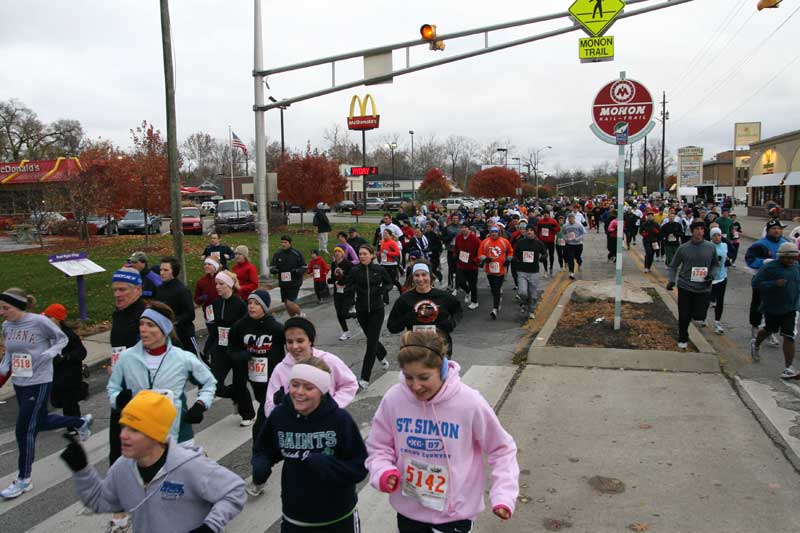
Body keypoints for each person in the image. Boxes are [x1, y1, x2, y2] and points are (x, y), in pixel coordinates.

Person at [366, 331, 520, 532]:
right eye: (408, 377)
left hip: (454, 516)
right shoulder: (394, 399)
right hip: (409, 513)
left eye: (424, 377)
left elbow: (502, 450)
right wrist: (383, 471)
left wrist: (503, 495)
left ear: (443, 369)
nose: (416, 386)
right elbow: (378, 446)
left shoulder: (469, 403)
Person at [60, 390, 246, 532]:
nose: (123, 435)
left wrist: (209, 527)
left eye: (134, 430)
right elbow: (99, 502)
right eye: (123, 427)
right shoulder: (122, 468)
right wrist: (82, 470)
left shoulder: (190, 465)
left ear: (154, 435)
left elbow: (235, 490)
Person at [251, 359, 368, 529]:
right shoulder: (280, 416)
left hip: (338, 516)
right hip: (296, 516)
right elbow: (264, 449)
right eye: (295, 384)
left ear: (322, 390)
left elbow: (359, 467)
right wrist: (261, 462)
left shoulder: (340, 420)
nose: (299, 392)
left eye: (308, 387)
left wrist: (330, 465)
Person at [0, 288, 93, 499]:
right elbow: (9, 353)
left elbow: (61, 339)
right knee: (39, 421)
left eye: (6, 308)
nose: (2, 312)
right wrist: (3, 368)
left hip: (39, 381)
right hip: (20, 381)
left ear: (18, 306)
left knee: (24, 430)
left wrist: (49, 354)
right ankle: (80, 423)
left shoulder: (39, 322)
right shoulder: (7, 326)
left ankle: (24, 479)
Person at [108, 302, 216, 447]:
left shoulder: (182, 358)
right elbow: (113, 388)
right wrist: (118, 399)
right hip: (141, 437)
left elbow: (209, 382)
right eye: (141, 324)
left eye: (150, 325)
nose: (143, 330)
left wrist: (200, 405)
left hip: (179, 437)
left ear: (164, 329)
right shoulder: (127, 358)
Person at [229, 290, 284, 446]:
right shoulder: (240, 326)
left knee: (268, 409)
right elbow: (232, 347)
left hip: (273, 376)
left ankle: (268, 441)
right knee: (261, 401)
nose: (252, 307)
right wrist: (240, 356)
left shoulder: (276, 327)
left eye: (257, 304)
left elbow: (291, 347)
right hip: (253, 375)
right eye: (250, 303)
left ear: (265, 307)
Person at [205, 271, 253, 426]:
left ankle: (248, 414)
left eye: (221, 284)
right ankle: (237, 396)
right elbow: (213, 329)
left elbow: (246, 329)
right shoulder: (215, 303)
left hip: (237, 350)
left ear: (230, 285)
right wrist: (208, 348)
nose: (217, 287)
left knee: (240, 383)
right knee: (214, 385)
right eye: (216, 284)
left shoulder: (240, 304)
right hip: (220, 349)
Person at [387, 262, 463, 356]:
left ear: (430, 276)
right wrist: (406, 319)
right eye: (416, 275)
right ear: (412, 278)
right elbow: (392, 327)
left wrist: (451, 323)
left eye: (424, 275)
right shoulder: (404, 299)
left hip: (440, 347)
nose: (420, 279)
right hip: (415, 348)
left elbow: (458, 311)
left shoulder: (444, 296)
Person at [750, 242, 800, 378]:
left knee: (789, 336)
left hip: (791, 308)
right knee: (769, 329)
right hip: (772, 307)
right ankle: (756, 343)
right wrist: (773, 284)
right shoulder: (769, 268)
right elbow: (755, 284)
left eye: (793, 258)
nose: (791, 261)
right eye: (787, 258)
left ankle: (788, 368)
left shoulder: (796, 266)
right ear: (781, 257)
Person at [666, 221, 719, 350]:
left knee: (699, 316)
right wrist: (672, 280)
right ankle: (682, 337)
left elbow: (715, 264)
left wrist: (711, 275)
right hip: (686, 286)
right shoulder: (683, 248)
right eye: (697, 229)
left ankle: (696, 316)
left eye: (702, 229)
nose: (699, 231)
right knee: (684, 315)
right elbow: (673, 266)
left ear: (704, 232)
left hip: (703, 287)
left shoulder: (710, 247)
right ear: (692, 231)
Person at [346, 244, 392, 389]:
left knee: (371, 343)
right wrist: (352, 293)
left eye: (365, 254)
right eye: (360, 254)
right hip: (362, 311)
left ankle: (365, 378)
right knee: (372, 339)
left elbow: (389, 283)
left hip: (377, 310)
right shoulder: (355, 271)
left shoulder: (379, 270)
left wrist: (382, 290)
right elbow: (348, 286)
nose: (362, 256)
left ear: (372, 255)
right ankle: (382, 353)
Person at [42, 303, 88, 432]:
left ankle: (74, 426)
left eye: (49, 317)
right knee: (58, 400)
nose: (46, 319)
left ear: (57, 319)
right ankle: (74, 423)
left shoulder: (68, 335)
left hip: (70, 375)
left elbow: (82, 352)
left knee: (70, 402)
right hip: (57, 375)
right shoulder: (48, 334)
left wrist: (66, 357)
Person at [745, 220, 790, 343]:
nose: (777, 231)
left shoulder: (786, 243)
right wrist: (763, 262)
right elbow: (750, 259)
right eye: (774, 228)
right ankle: (755, 328)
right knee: (758, 305)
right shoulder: (760, 244)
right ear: (768, 230)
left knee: (774, 308)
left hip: (780, 282)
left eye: (779, 228)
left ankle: (769, 331)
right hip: (762, 281)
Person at [154, 256, 199, 355]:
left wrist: (173, 321)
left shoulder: (182, 290)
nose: (161, 273)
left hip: (184, 336)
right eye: (161, 269)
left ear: (174, 272)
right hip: (166, 336)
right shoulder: (159, 289)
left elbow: (190, 314)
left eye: (166, 270)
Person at [480, 226, 514, 320]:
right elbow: (480, 254)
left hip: (500, 270)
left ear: (498, 233)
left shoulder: (504, 241)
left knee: (496, 289)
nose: (494, 233)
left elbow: (511, 252)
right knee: (493, 289)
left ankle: (494, 309)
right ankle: (498, 300)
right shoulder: (485, 242)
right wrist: (485, 259)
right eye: (492, 232)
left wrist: (508, 260)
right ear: (490, 233)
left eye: (495, 232)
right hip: (490, 270)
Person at [514, 225, 547, 319]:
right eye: (527, 230)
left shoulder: (539, 243)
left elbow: (545, 253)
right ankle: (524, 303)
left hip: (534, 272)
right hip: (522, 271)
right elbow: (515, 253)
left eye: (531, 230)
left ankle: (531, 310)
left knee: (533, 295)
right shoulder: (520, 242)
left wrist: (543, 257)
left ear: (534, 232)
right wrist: (515, 258)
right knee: (522, 292)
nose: (529, 232)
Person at [270, 235, 307, 318]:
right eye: (282, 242)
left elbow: (304, 267)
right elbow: (272, 266)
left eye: (285, 242)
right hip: (283, 283)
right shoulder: (277, 254)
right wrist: (274, 270)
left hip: (294, 282)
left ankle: (302, 315)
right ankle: (293, 318)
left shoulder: (296, 254)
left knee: (290, 302)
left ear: (290, 243)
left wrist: (297, 271)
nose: (283, 244)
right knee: (286, 304)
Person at [329, 246, 356, 340]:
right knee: (339, 313)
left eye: (339, 251)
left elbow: (351, 278)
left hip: (348, 292)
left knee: (344, 313)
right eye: (335, 251)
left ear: (342, 254)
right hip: (337, 292)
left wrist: (342, 280)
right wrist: (331, 280)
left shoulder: (348, 264)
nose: (336, 253)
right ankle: (346, 332)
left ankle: (356, 314)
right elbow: (333, 276)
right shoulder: (333, 264)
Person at [453, 223, 482, 310]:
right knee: (460, 281)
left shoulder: (475, 240)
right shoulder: (458, 237)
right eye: (462, 228)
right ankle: (467, 291)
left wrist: (476, 260)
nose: (463, 229)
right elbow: (456, 248)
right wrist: (455, 256)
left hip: (472, 266)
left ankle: (474, 302)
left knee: (473, 284)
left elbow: (480, 252)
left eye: (465, 228)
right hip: (461, 264)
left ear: (469, 229)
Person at [708, 228, 730, 335]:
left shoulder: (725, 246)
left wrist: (728, 260)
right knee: (706, 299)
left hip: (722, 277)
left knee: (720, 301)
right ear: (711, 237)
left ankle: (717, 322)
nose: (717, 237)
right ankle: (703, 317)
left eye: (719, 235)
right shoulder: (707, 246)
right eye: (714, 235)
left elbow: (727, 257)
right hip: (710, 278)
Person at [194, 257, 221, 331]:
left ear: (215, 266)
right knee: (212, 335)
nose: (206, 266)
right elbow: (197, 299)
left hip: (223, 312)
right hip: (209, 313)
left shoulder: (222, 277)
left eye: (209, 264)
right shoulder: (201, 281)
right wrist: (201, 298)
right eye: (205, 264)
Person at [379, 229, 404, 298]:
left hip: (391, 264)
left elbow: (397, 253)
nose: (384, 235)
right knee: (384, 281)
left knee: (393, 281)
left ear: (390, 235)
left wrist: (388, 253)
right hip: (383, 263)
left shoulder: (392, 243)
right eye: (383, 233)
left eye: (386, 233)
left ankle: (402, 291)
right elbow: (382, 252)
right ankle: (385, 299)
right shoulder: (382, 242)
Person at [562, 213, 587, 280]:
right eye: (569, 219)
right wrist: (565, 239)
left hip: (578, 244)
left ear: (574, 218)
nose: (570, 220)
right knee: (570, 258)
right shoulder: (565, 226)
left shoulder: (579, 225)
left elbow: (583, 233)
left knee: (578, 257)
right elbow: (563, 233)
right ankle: (571, 273)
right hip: (569, 244)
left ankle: (579, 263)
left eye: (571, 218)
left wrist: (578, 238)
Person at [536, 210, 560, 276]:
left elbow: (558, 229)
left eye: (546, 214)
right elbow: (537, 230)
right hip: (543, 242)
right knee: (544, 256)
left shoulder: (553, 221)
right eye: (544, 214)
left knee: (551, 255)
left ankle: (551, 268)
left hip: (551, 241)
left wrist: (552, 228)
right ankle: (545, 270)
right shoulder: (540, 221)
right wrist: (538, 238)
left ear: (549, 214)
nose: (545, 215)